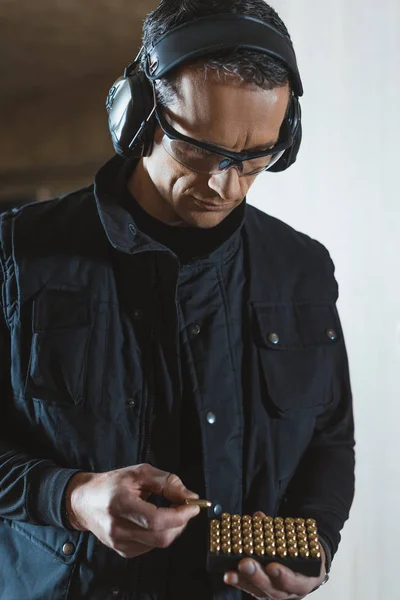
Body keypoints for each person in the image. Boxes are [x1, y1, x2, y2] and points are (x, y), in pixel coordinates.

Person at [0, 0, 355, 598]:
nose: (225, 185)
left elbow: (329, 439)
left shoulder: (304, 269)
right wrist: (71, 497)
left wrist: (315, 541)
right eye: (200, 149)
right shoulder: (16, 251)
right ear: (136, 114)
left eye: (254, 158)